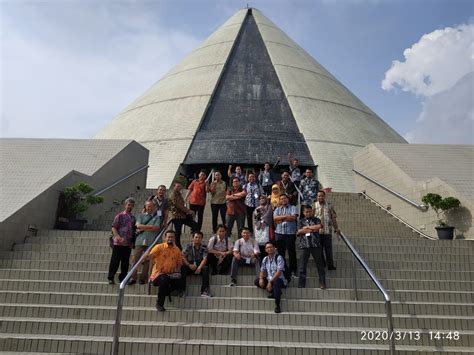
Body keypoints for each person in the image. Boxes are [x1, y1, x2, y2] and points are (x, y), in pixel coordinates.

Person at [148, 230, 184, 312]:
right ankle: (159, 304)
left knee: (180, 280)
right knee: (164, 279)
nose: (170, 239)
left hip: (170, 275)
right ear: (165, 238)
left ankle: (166, 290)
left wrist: (177, 273)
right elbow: (151, 255)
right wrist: (146, 257)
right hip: (158, 275)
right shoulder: (159, 247)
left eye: (172, 237)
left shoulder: (177, 250)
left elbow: (179, 263)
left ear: (174, 238)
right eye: (169, 237)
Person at [128, 201, 162, 285]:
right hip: (139, 240)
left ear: (154, 207)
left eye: (151, 206)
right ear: (145, 207)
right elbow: (138, 226)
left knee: (147, 260)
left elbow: (157, 228)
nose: (150, 208)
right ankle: (133, 278)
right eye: (148, 206)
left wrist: (144, 227)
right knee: (135, 259)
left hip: (150, 241)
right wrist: (150, 227)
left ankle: (143, 278)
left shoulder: (157, 217)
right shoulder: (140, 216)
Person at [297, 205, 326, 289]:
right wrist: (311, 229)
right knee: (302, 266)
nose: (308, 213)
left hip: (315, 245)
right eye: (306, 212)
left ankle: (322, 283)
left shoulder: (317, 220)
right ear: (303, 212)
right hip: (304, 245)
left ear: (312, 212)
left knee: (320, 265)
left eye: (310, 211)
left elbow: (319, 227)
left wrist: (307, 227)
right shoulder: (300, 221)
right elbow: (299, 231)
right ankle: (301, 284)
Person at [107, 198, 135, 285]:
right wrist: (118, 237)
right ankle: (111, 278)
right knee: (115, 261)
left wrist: (132, 242)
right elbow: (114, 227)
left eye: (131, 205)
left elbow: (134, 230)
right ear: (125, 205)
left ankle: (123, 278)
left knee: (125, 263)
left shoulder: (133, 218)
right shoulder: (119, 215)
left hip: (127, 244)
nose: (130, 206)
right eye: (128, 205)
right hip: (118, 243)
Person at [255, 242, 288, 313]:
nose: (269, 249)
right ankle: (273, 291)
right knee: (257, 281)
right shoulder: (265, 259)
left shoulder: (279, 257)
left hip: (280, 279)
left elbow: (279, 273)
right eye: (267, 248)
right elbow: (262, 271)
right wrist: (261, 279)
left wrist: (270, 282)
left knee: (276, 283)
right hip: (269, 278)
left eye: (271, 247)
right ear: (265, 250)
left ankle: (277, 305)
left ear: (274, 248)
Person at [314, 190, 340, 270]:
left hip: (327, 231)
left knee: (328, 249)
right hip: (317, 232)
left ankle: (330, 265)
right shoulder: (314, 205)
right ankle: (322, 264)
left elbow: (333, 218)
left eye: (322, 196)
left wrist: (336, 228)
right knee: (319, 250)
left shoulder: (329, 205)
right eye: (319, 196)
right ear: (317, 197)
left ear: (324, 196)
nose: (320, 197)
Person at [273, 194, 298, 276]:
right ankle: (283, 270)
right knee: (280, 253)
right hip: (279, 233)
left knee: (291, 252)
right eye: (281, 199)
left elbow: (293, 218)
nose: (283, 200)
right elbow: (275, 218)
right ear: (280, 200)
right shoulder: (277, 209)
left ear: (288, 199)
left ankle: (293, 270)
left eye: (285, 198)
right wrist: (286, 217)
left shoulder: (293, 207)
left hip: (290, 234)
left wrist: (281, 218)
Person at [181, 231, 211, 297]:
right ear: (193, 238)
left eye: (199, 238)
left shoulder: (204, 248)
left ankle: (204, 291)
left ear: (201, 239)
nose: (197, 239)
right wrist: (189, 265)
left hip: (199, 265)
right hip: (189, 265)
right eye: (196, 237)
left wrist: (199, 267)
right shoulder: (188, 246)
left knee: (205, 268)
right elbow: (182, 257)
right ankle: (182, 290)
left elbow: (205, 258)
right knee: (183, 268)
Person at [170, 181, 198, 250]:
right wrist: (189, 211)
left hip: (183, 215)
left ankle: (195, 242)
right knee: (178, 232)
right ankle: (178, 247)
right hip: (176, 216)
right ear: (174, 187)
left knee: (194, 225)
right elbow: (179, 206)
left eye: (180, 186)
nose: (179, 188)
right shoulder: (173, 194)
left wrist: (188, 212)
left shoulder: (179, 194)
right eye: (177, 186)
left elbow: (182, 205)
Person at [253, 195, 273, 260]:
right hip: (258, 228)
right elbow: (255, 218)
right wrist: (259, 222)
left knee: (266, 243)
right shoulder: (256, 208)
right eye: (260, 198)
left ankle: (267, 258)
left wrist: (262, 219)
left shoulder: (269, 207)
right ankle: (260, 259)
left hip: (266, 226)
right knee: (259, 244)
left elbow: (268, 215)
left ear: (266, 199)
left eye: (263, 198)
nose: (261, 199)